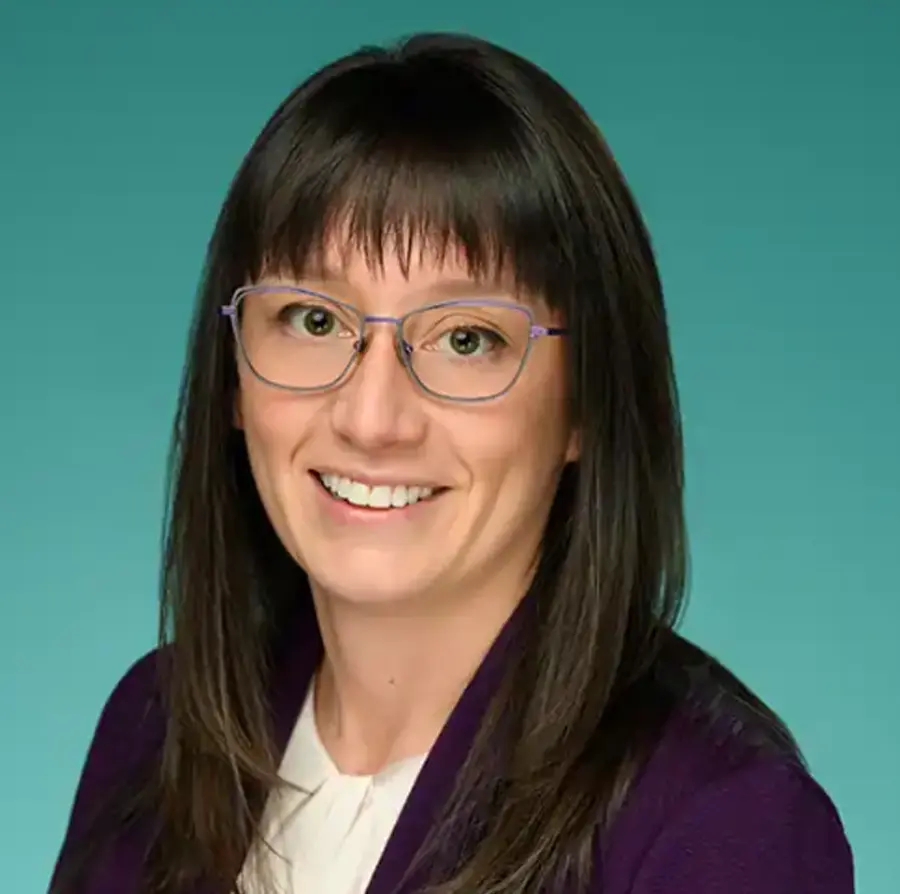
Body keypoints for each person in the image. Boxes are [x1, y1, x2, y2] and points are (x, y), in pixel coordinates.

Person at [49, 31, 854, 894]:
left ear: (586, 403)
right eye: (315, 321)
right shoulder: (157, 727)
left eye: (467, 339)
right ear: (233, 376)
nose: (371, 417)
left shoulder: (723, 827)